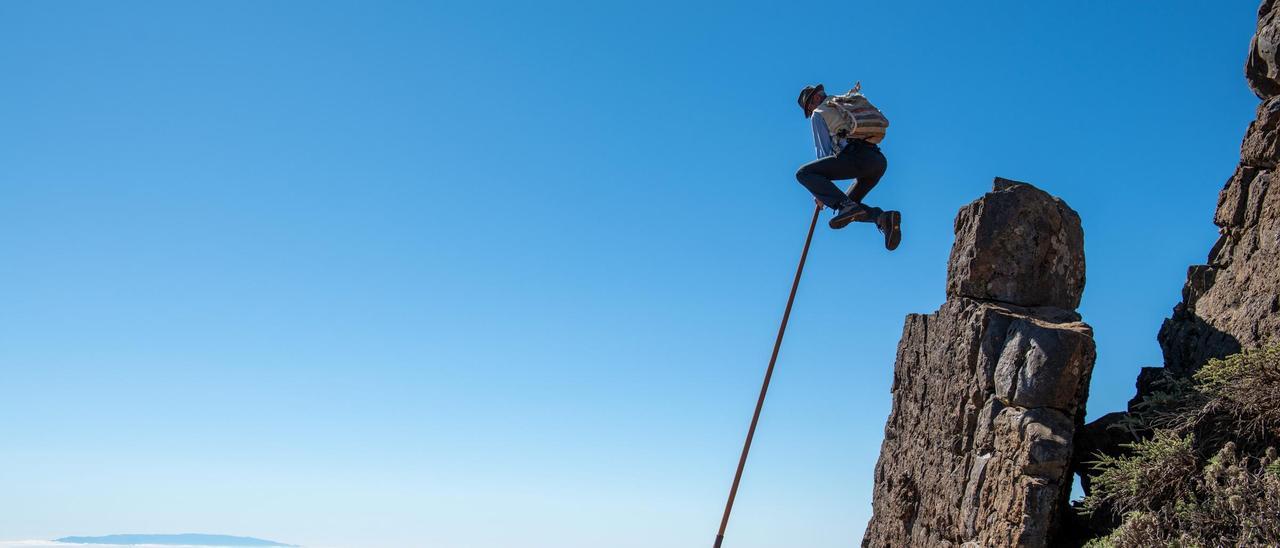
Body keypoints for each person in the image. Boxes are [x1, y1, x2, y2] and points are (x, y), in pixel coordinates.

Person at [795, 83, 902, 250]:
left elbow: (824, 155)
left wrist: (821, 193)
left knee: (803, 174)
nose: (810, 113)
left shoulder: (819, 113)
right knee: (850, 209)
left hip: (857, 157)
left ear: (815, 99)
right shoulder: (840, 103)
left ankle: (845, 206)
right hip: (878, 161)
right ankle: (882, 218)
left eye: (809, 108)